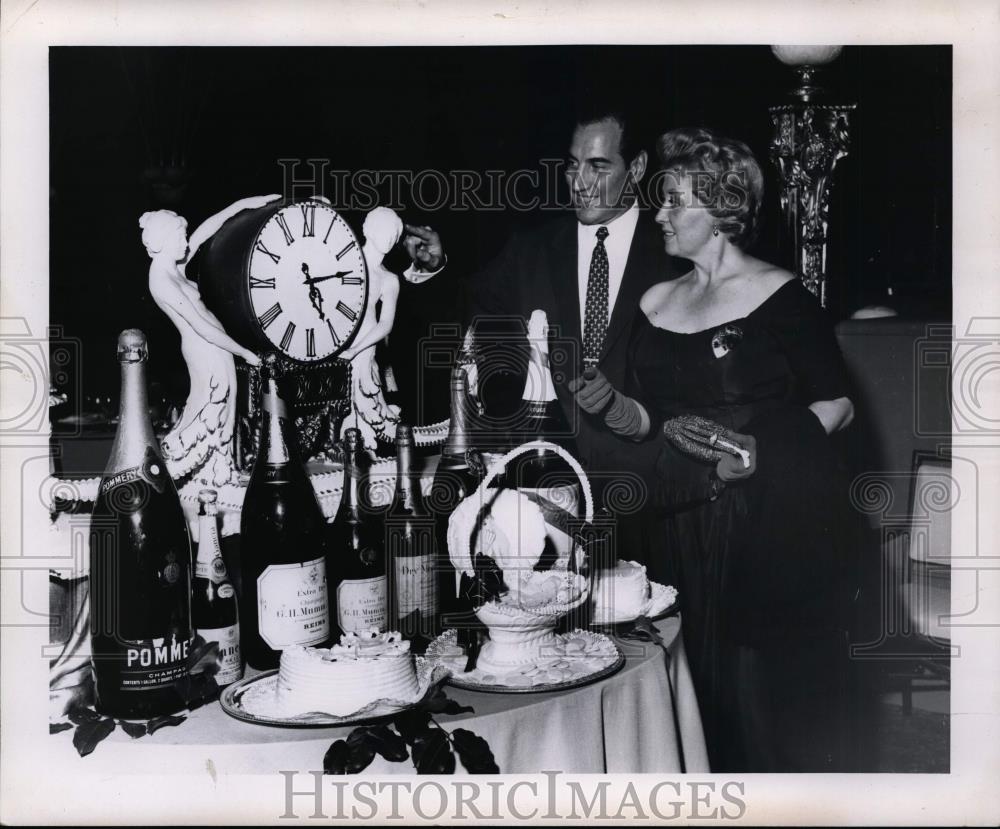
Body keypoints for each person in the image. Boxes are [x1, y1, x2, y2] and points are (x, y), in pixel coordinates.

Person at [570, 127, 855, 772]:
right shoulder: (654, 301)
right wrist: (613, 407)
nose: (659, 215)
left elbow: (838, 405)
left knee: (750, 702)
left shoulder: (782, 297)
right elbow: (652, 420)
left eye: (674, 201)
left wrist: (762, 449)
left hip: (758, 520)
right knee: (674, 684)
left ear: (722, 210)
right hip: (670, 520)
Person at [402, 108, 685, 575]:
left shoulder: (673, 257)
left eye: (598, 166)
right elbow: (469, 314)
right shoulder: (531, 249)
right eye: (573, 165)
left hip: (647, 504)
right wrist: (436, 267)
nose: (580, 182)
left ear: (635, 167)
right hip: (544, 501)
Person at [140, 195, 278, 486]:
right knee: (210, 408)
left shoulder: (173, 266)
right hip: (205, 351)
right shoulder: (160, 280)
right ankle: (191, 467)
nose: (186, 241)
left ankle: (219, 471)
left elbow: (205, 230)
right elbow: (201, 326)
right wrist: (243, 352)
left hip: (217, 348)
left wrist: (245, 204)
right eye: (180, 236)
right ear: (164, 240)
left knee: (224, 408)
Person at [337, 206, 405, 447]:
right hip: (335, 345)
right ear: (368, 230)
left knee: (365, 410)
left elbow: (386, 324)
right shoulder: (345, 262)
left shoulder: (389, 279)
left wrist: (356, 350)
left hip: (364, 351)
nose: (390, 236)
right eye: (384, 228)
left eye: (394, 232)